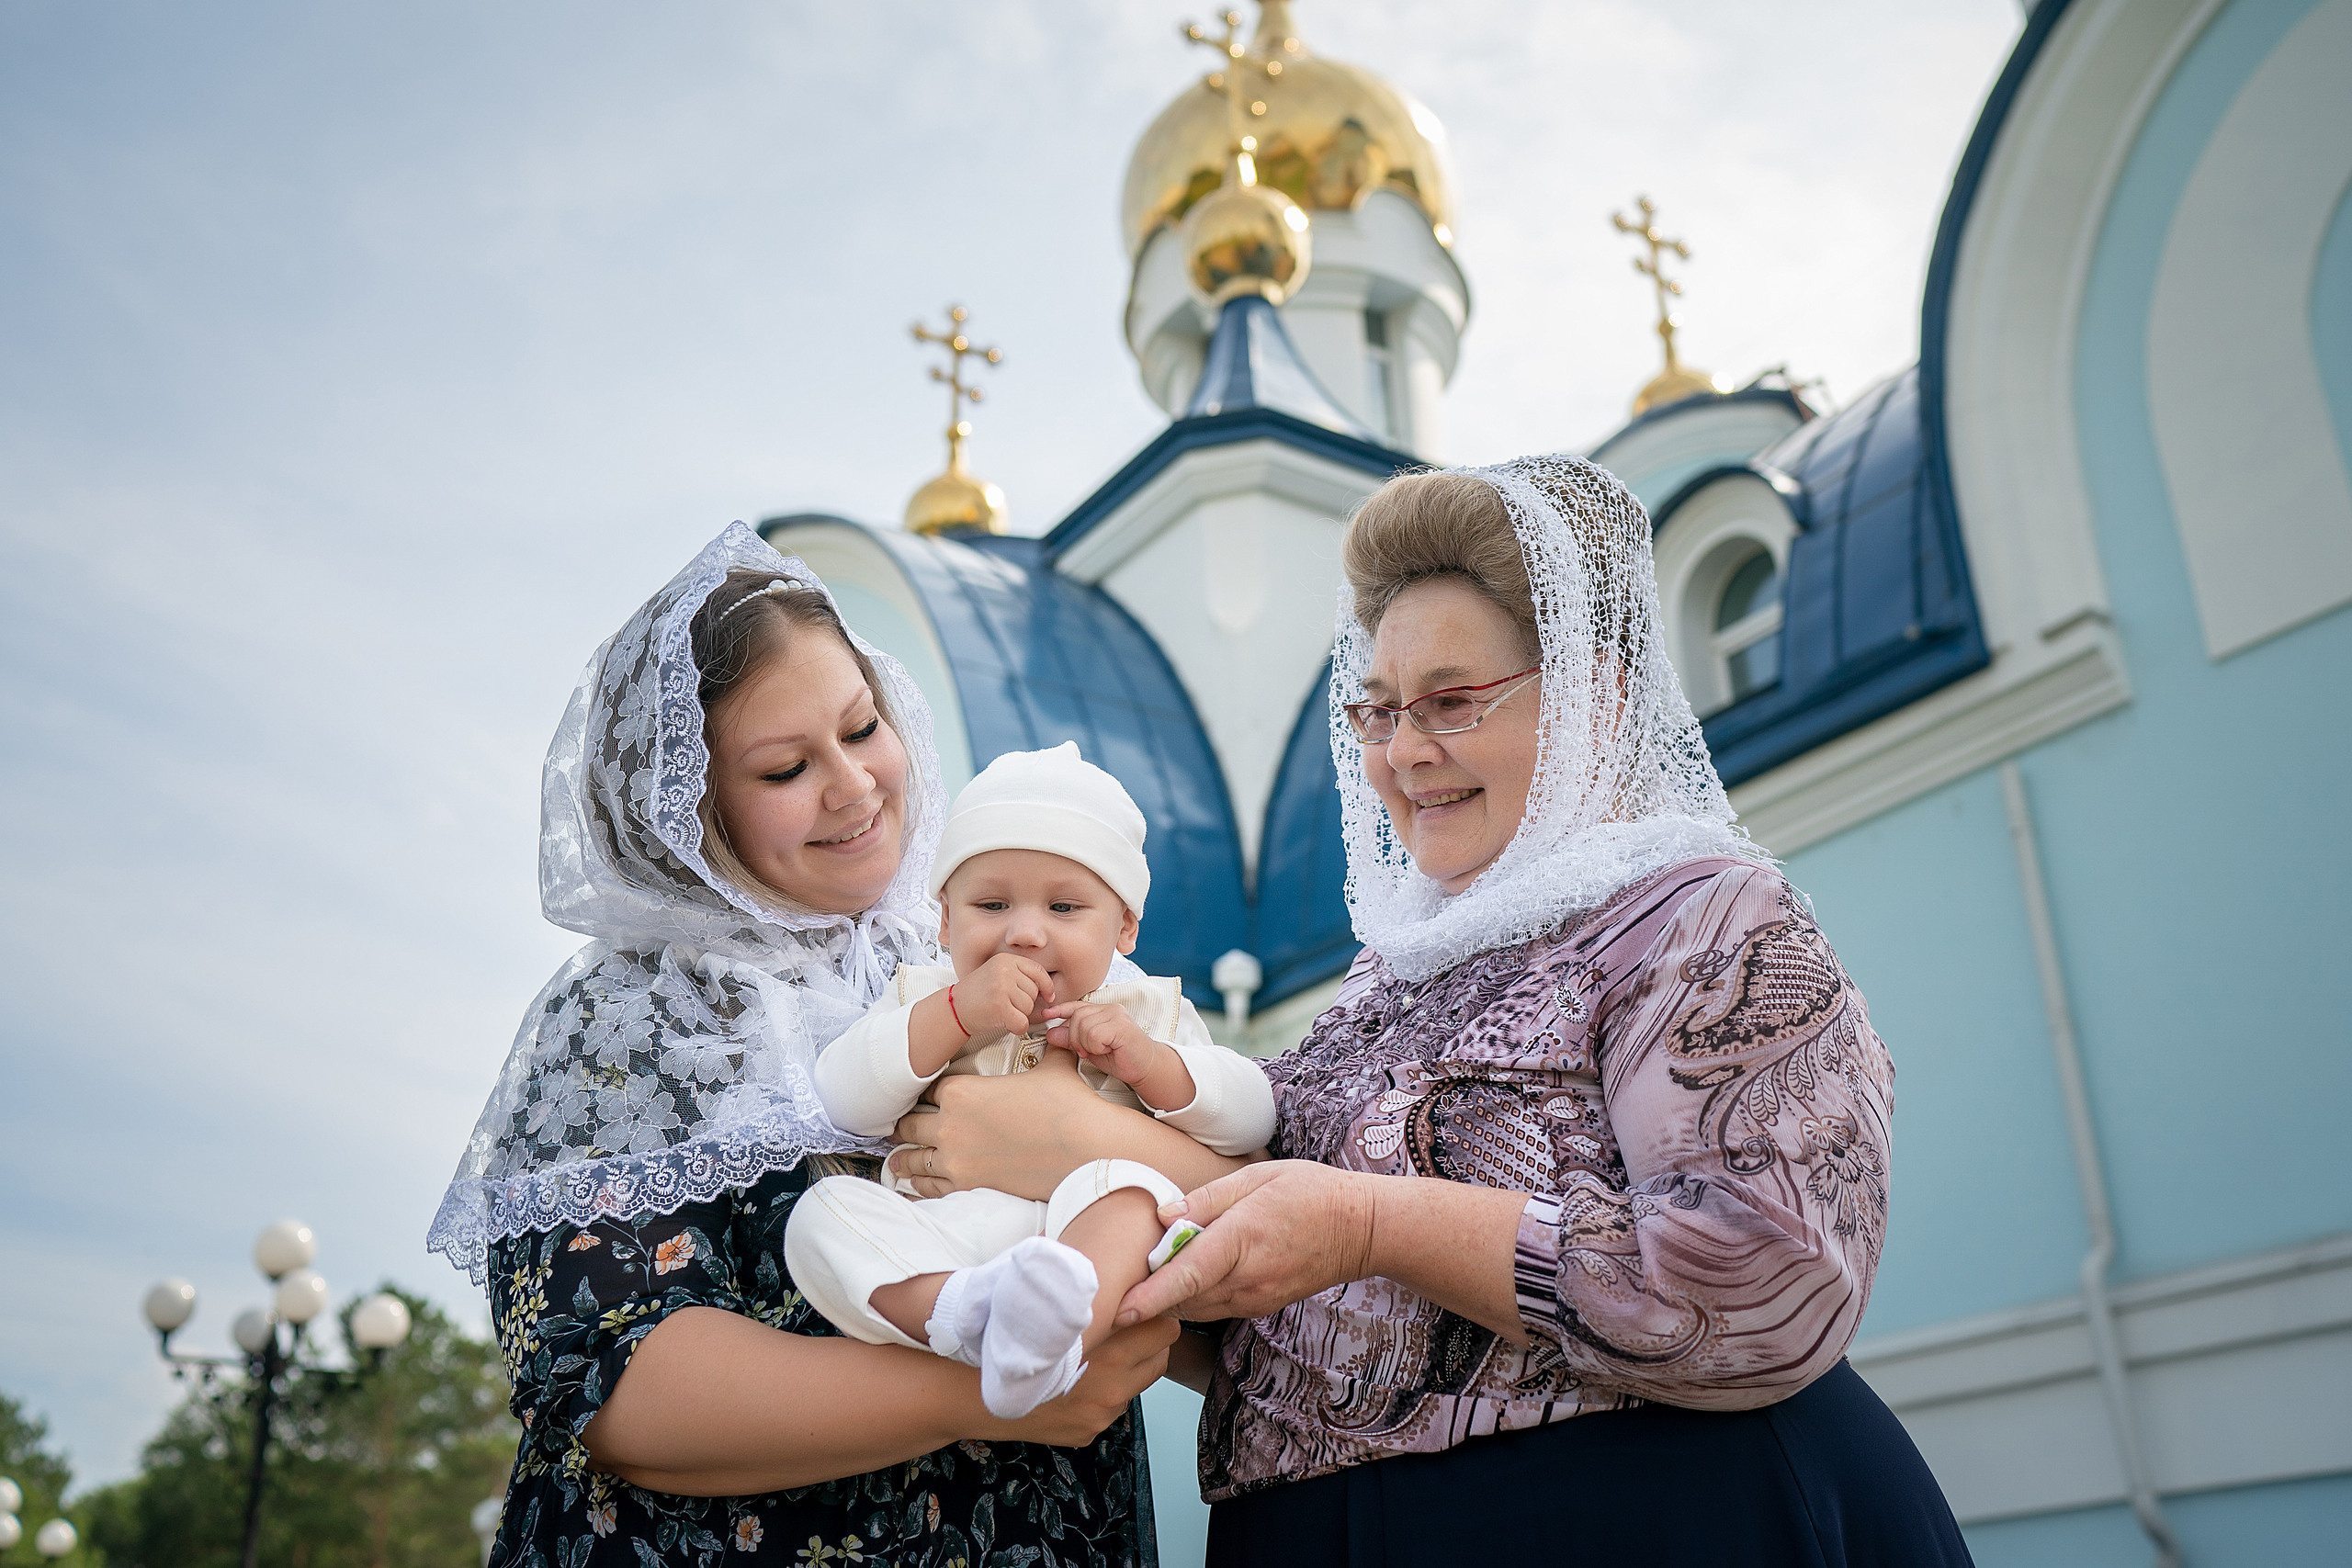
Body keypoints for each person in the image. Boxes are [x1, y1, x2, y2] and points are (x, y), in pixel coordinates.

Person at [914, 459, 1973, 1564]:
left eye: (1452, 702)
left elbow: (1767, 1287)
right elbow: (1291, 1318)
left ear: (1593, 700)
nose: (1403, 752)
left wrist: (1362, 1222)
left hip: (1644, 1511)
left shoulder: (1699, 916)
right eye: (1378, 711)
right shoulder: (1381, 987)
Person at [427, 524, 1209, 1565]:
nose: (853, 785)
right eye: (787, 766)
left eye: (861, 725)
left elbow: (1213, 1223)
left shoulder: (979, 948)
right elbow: (608, 1378)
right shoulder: (632, 1015)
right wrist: (986, 1393)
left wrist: (1083, 1150)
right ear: (688, 819)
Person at [786, 742, 1275, 1419]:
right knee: (821, 1215)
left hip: (1082, 1248)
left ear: (1125, 927)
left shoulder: (1146, 1013)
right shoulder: (922, 997)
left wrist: (1150, 1064)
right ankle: (963, 1315)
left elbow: (1255, 1114)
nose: (1024, 932)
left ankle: (1056, 1339)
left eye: (1065, 908)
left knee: (1129, 1188)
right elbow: (841, 1099)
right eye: (991, 904)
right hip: (949, 1241)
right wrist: (953, 1015)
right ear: (947, 920)